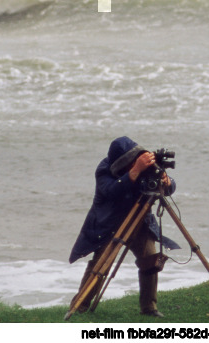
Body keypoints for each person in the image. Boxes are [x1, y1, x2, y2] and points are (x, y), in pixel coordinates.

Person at [69, 136, 179, 317]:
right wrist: (135, 170)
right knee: (101, 265)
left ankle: (149, 308)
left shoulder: (145, 162)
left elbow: (168, 187)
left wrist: (167, 181)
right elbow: (112, 191)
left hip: (140, 221)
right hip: (111, 225)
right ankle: (79, 307)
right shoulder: (104, 170)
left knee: (150, 261)